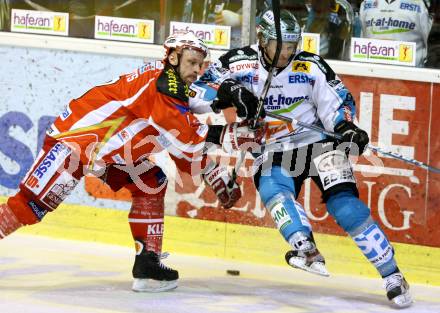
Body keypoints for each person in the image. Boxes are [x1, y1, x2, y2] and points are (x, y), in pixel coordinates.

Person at [0, 32, 263, 292]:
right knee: (28, 206)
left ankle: (148, 265)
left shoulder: (169, 79)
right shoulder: (163, 95)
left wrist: (229, 96)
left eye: (199, 64)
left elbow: (198, 99)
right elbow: (189, 152)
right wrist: (235, 131)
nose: (196, 70)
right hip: (75, 143)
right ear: (172, 58)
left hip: (109, 152)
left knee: (151, 181)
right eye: (191, 63)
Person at [189, 9, 412, 308]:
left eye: (292, 46)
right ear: (262, 39)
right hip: (274, 149)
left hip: (320, 143)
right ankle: (305, 248)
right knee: (273, 189)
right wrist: (231, 90)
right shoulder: (238, 62)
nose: (286, 53)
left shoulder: (310, 65)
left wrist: (347, 127)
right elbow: (197, 91)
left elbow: (339, 101)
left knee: (346, 207)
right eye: (279, 46)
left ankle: (393, 276)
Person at [359, 0, 433, 67]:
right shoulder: (366, 4)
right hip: (371, 73)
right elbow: (362, 39)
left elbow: (430, 43)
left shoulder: (420, 4)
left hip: (410, 75)